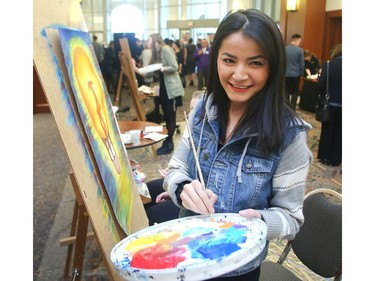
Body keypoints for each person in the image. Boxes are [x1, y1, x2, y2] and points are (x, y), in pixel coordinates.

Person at [163, 9, 312, 280]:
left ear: (272, 67)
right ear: (216, 59)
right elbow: (175, 169)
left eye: (255, 63)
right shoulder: (202, 111)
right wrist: (183, 188)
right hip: (187, 254)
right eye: (229, 60)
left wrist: (260, 223)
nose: (239, 75)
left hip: (238, 270)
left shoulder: (289, 135)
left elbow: (291, 220)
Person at [133, 33, 185, 156]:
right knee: (166, 116)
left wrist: (162, 68)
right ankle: (168, 143)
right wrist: (136, 69)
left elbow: (174, 66)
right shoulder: (155, 53)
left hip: (171, 89)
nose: (147, 42)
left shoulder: (166, 49)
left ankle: (168, 143)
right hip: (163, 89)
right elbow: (149, 75)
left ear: (155, 40)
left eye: (149, 40)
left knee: (170, 117)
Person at [317, 44, 342, 166]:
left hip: (330, 103)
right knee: (340, 132)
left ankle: (323, 155)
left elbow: (321, 84)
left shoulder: (328, 65)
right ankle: (335, 159)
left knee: (327, 130)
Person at [285, 34, 304, 109]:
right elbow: (301, 64)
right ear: (297, 40)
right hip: (296, 75)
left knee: (286, 92)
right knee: (295, 92)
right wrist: (301, 74)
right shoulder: (299, 50)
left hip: (285, 74)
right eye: (300, 41)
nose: (300, 43)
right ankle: (292, 109)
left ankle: (286, 108)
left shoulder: (285, 49)